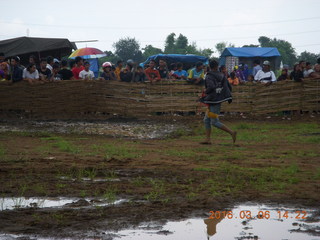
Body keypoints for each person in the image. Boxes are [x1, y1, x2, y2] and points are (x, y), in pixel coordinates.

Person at [201, 59, 237, 145]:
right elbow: (229, 87)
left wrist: (205, 91)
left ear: (209, 66)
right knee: (206, 120)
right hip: (218, 99)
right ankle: (208, 139)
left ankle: (232, 132)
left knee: (214, 122)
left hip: (213, 100)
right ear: (217, 66)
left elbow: (211, 87)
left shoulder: (209, 76)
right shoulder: (222, 75)